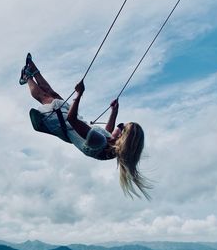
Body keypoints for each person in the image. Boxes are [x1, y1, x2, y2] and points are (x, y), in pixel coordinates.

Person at [20, 53, 152, 199]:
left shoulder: (100, 142)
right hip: (69, 122)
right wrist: (114, 112)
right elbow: (106, 132)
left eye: (122, 127)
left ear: (123, 138)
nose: (118, 128)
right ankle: (31, 68)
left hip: (63, 123)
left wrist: (79, 94)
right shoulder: (108, 147)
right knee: (53, 93)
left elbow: (72, 119)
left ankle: (27, 77)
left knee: (45, 97)